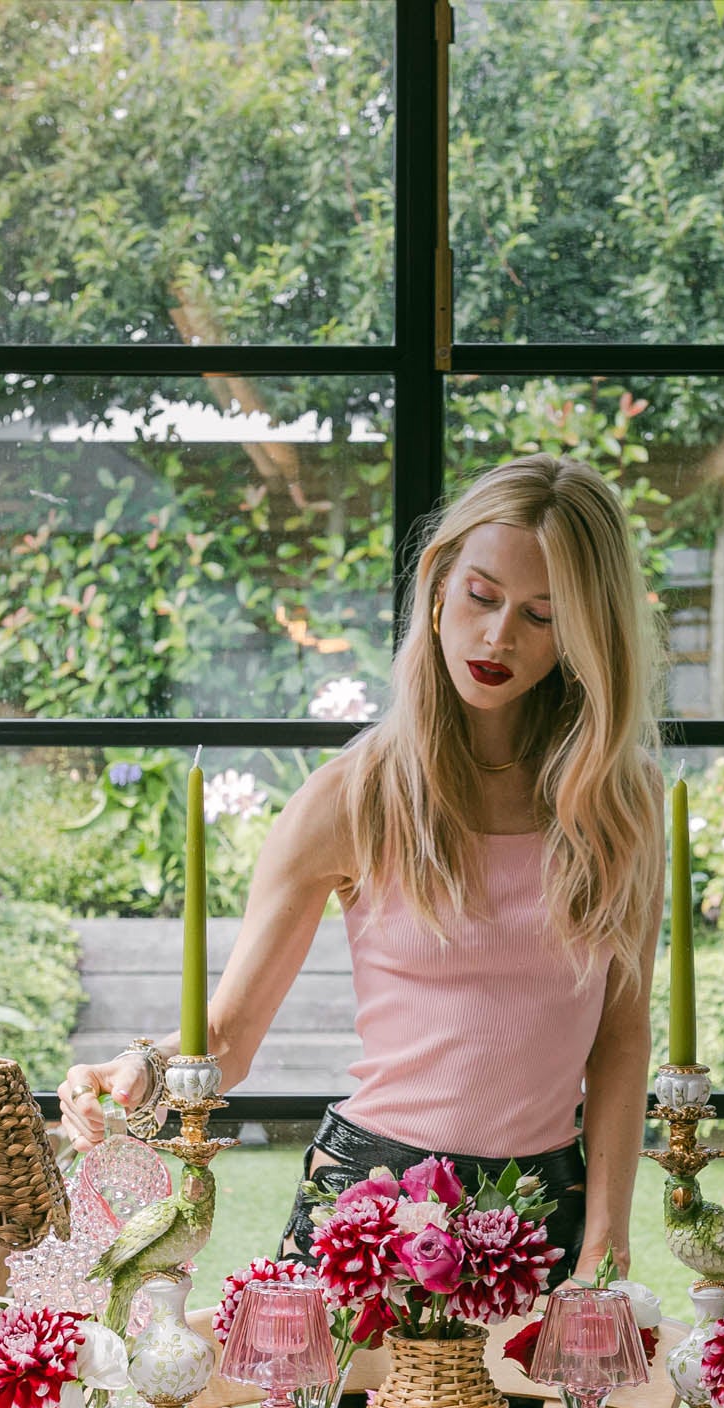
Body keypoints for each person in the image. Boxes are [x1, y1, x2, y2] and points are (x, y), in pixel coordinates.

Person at [58, 453, 664, 1282]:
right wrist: (143, 1068)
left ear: (586, 632)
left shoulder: (617, 802)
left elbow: (622, 1042)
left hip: (542, 1203)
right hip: (368, 1199)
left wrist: (608, 1234)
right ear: (440, 583)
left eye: (542, 616)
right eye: (483, 597)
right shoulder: (352, 796)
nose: (497, 637)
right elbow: (229, 1036)